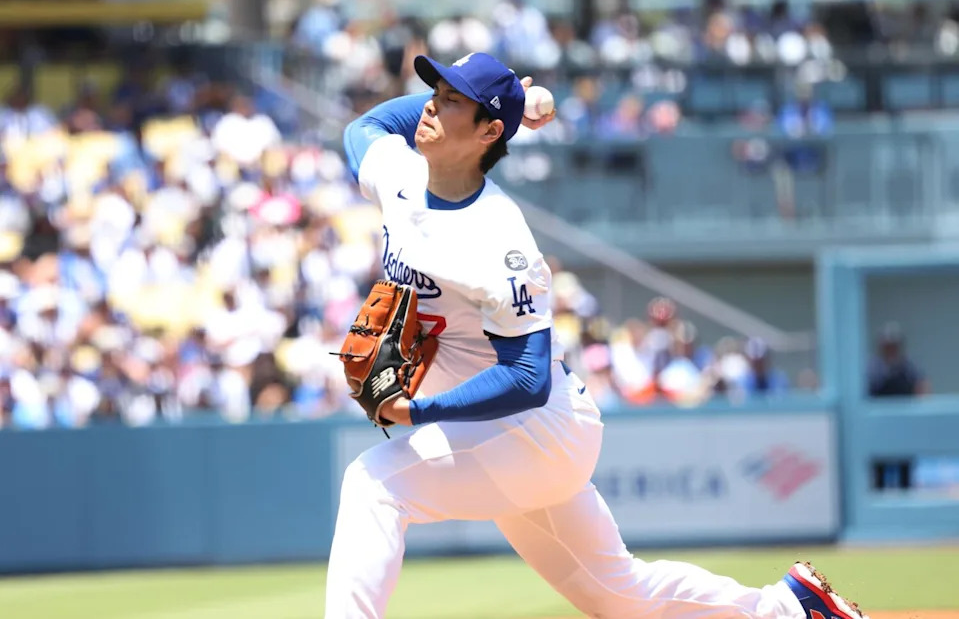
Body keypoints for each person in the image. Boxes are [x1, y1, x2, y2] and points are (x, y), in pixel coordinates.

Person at [327, 51, 867, 619]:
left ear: (487, 131)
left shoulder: (498, 238)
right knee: (618, 596)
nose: (433, 104)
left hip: (534, 430)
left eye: (453, 99)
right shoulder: (398, 174)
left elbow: (527, 377)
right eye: (435, 90)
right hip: (493, 435)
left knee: (373, 484)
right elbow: (364, 127)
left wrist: (420, 412)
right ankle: (790, 609)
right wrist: (516, 107)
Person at [867, 322, 928, 397]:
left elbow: (923, 386)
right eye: (887, 346)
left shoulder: (910, 365)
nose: (891, 350)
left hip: (906, 406)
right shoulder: (873, 367)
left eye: (894, 346)